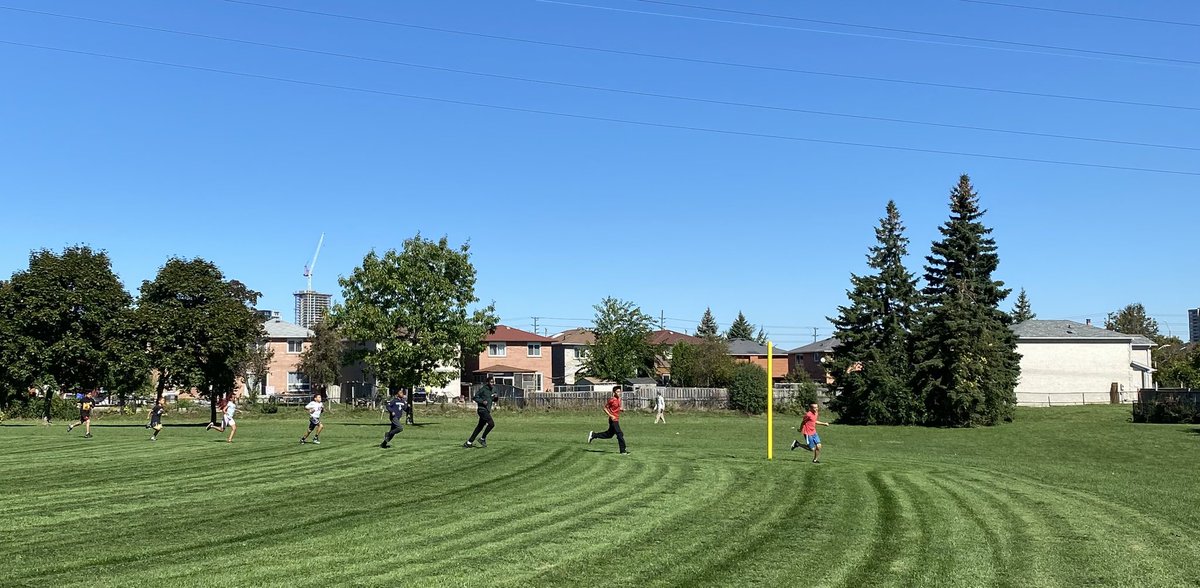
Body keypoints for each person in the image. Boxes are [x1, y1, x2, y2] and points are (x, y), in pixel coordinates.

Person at [587, 386, 629, 455]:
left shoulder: (619, 399)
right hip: (613, 420)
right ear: (614, 392)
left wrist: (621, 409)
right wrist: (611, 415)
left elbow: (616, 408)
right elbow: (605, 408)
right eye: (617, 392)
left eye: (619, 391)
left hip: (616, 419)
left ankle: (594, 435)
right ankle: (623, 451)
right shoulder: (612, 400)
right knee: (619, 434)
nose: (619, 393)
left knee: (609, 435)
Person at [462, 376, 498, 448]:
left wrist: (496, 398)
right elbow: (475, 397)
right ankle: (482, 439)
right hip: (482, 410)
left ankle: (469, 442)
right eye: (491, 382)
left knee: (480, 427)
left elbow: (493, 400)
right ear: (487, 382)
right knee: (491, 424)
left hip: (487, 410)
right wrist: (482, 401)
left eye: (493, 382)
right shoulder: (483, 389)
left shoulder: (494, 389)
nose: (492, 383)